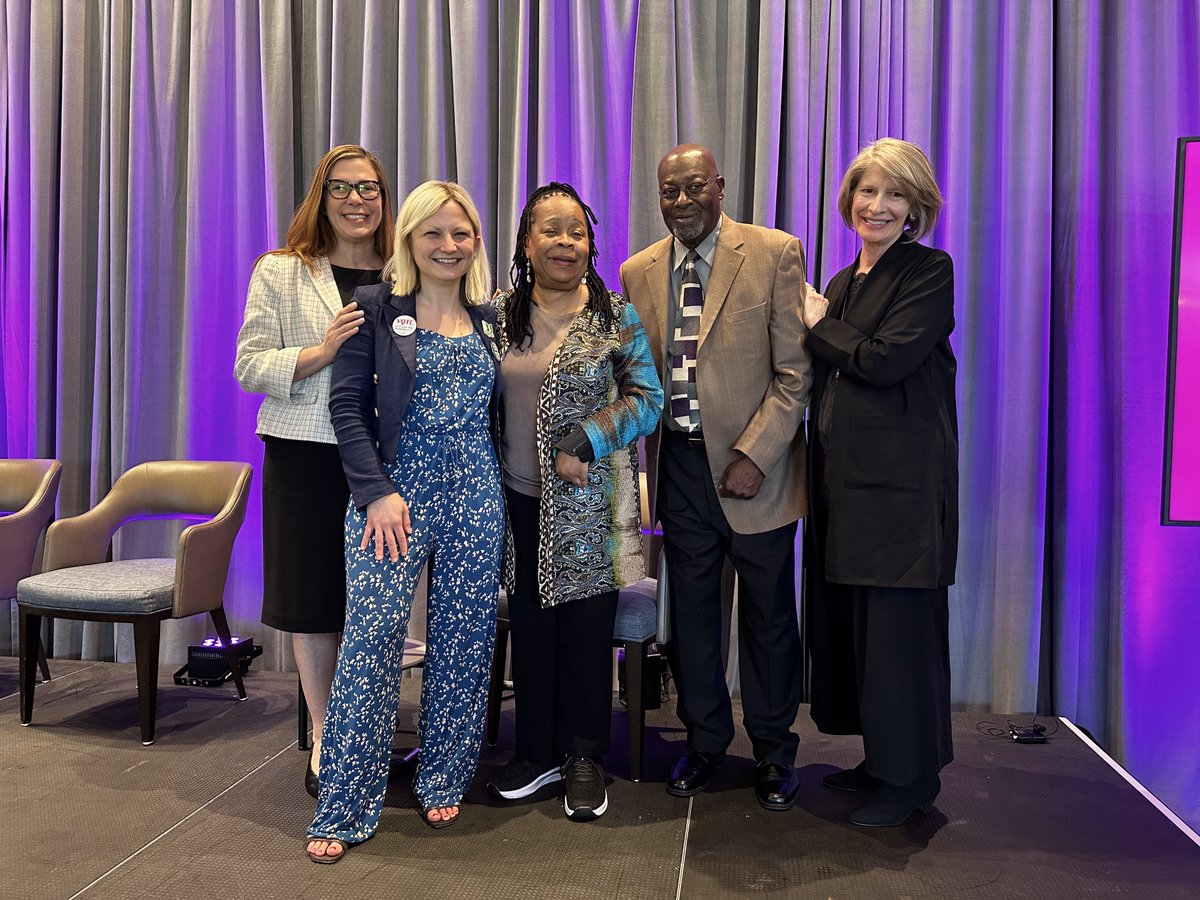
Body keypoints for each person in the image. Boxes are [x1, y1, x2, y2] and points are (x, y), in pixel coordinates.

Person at [305, 180, 504, 863]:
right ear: (409, 240)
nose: (449, 246)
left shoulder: (492, 319)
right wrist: (376, 493)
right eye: (434, 233)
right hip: (393, 497)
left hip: (476, 493)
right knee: (373, 638)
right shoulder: (372, 308)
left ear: (476, 240)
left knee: (465, 637)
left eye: (461, 233)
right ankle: (345, 801)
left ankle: (444, 774)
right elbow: (347, 411)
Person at [619, 144, 812, 811]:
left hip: (758, 472)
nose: (680, 201)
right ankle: (704, 745)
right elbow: (636, 376)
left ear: (720, 188)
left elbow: (795, 373)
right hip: (680, 467)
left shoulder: (775, 252)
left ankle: (774, 753)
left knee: (768, 620)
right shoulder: (638, 270)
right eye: (668, 191)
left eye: (693, 186)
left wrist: (755, 454)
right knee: (695, 620)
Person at [486, 182, 662, 822]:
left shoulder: (616, 317)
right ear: (527, 243)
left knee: (588, 636)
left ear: (590, 243)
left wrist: (588, 437)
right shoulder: (497, 316)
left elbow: (648, 399)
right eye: (550, 231)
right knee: (533, 633)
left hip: (591, 508)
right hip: (513, 505)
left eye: (577, 232)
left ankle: (585, 757)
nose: (565, 243)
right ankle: (537, 754)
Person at [801, 137, 957, 827]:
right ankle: (881, 758)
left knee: (899, 635)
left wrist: (818, 323)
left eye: (896, 194)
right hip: (844, 483)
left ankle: (910, 782)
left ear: (915, 206)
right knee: (860, 630)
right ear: (850, 199)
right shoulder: (843, 281)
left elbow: (884, 360)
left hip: (900, 487)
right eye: (869, 191)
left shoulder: (928, 272)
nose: (879, 205)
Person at [234, 144, 392, 799]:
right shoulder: (282, 270)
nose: (357, 200)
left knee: (377, 603)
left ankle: (373, 729)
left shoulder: (403, 270)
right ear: (320, 198)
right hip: (304, 454)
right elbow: (249, 366)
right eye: (342, 188)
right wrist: (320, 351)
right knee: (312, 600)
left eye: (369, 188)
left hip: (386, 460)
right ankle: (327, 736)